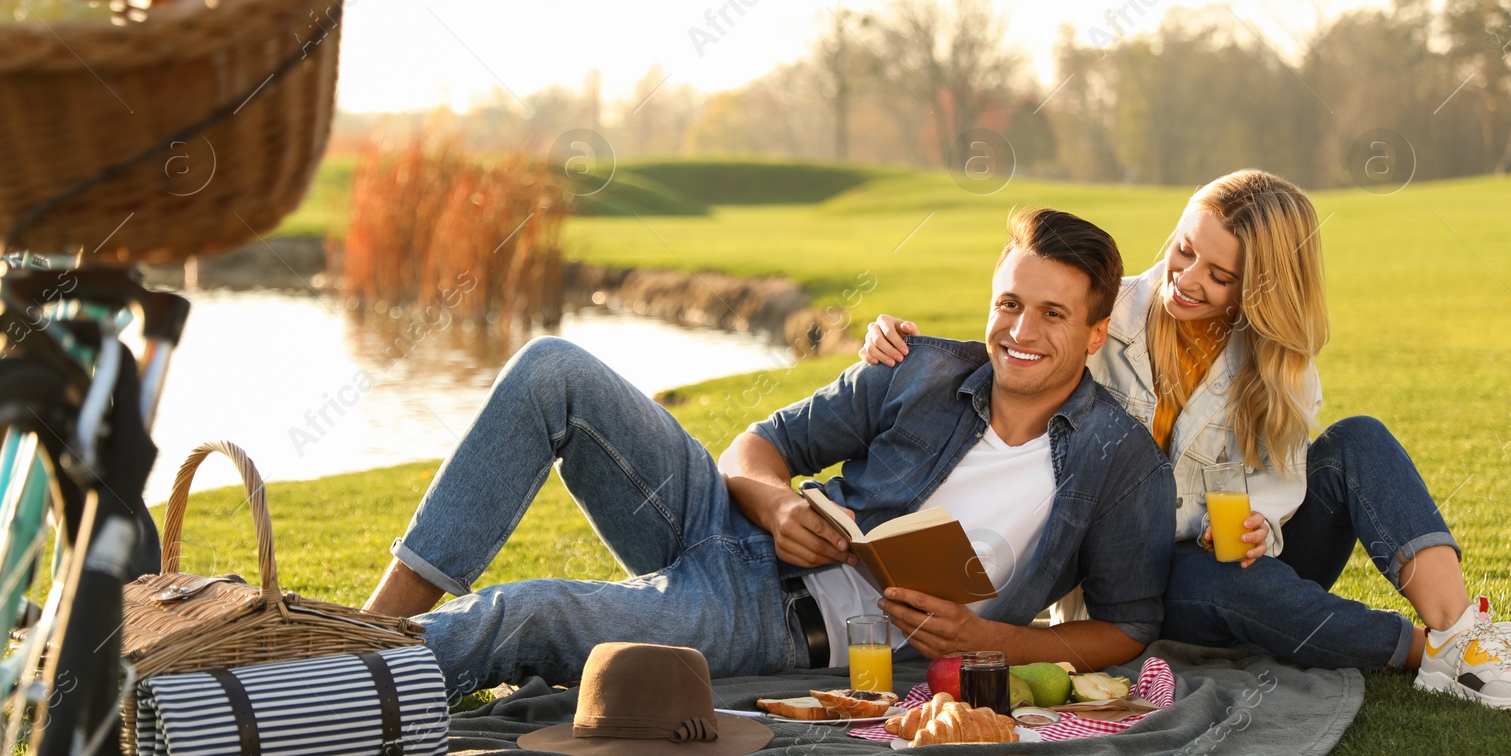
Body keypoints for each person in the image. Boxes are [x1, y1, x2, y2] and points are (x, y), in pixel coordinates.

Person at [363, 208, 1179, 696]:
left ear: (1095, 332)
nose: (1020, 333)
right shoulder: (925, 368)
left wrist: (992, 641)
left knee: (526, 614)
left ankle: (325, 683)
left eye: (1052, 315)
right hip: (727, 527)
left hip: (785, 625)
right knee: (553, 371)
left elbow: (1124, 627)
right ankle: (366, 628)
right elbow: (758, 446)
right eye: (1009, 303)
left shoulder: (1119, 458)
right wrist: (781, 503)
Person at [860, 170, 1511, 712]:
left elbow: (1280, 496)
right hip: (1141, 583)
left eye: (1219, 273)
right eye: (1183, 251)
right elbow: (1015, 345)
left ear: (1257, 286)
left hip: (1246, 561)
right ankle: (1435, 652)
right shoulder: (1106, 317)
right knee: (1217, 575)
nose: (1186, 279)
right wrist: (898, 342)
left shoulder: (1281, 368)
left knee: (1360, 440)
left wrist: (1265, 523)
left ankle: (1458, 635)